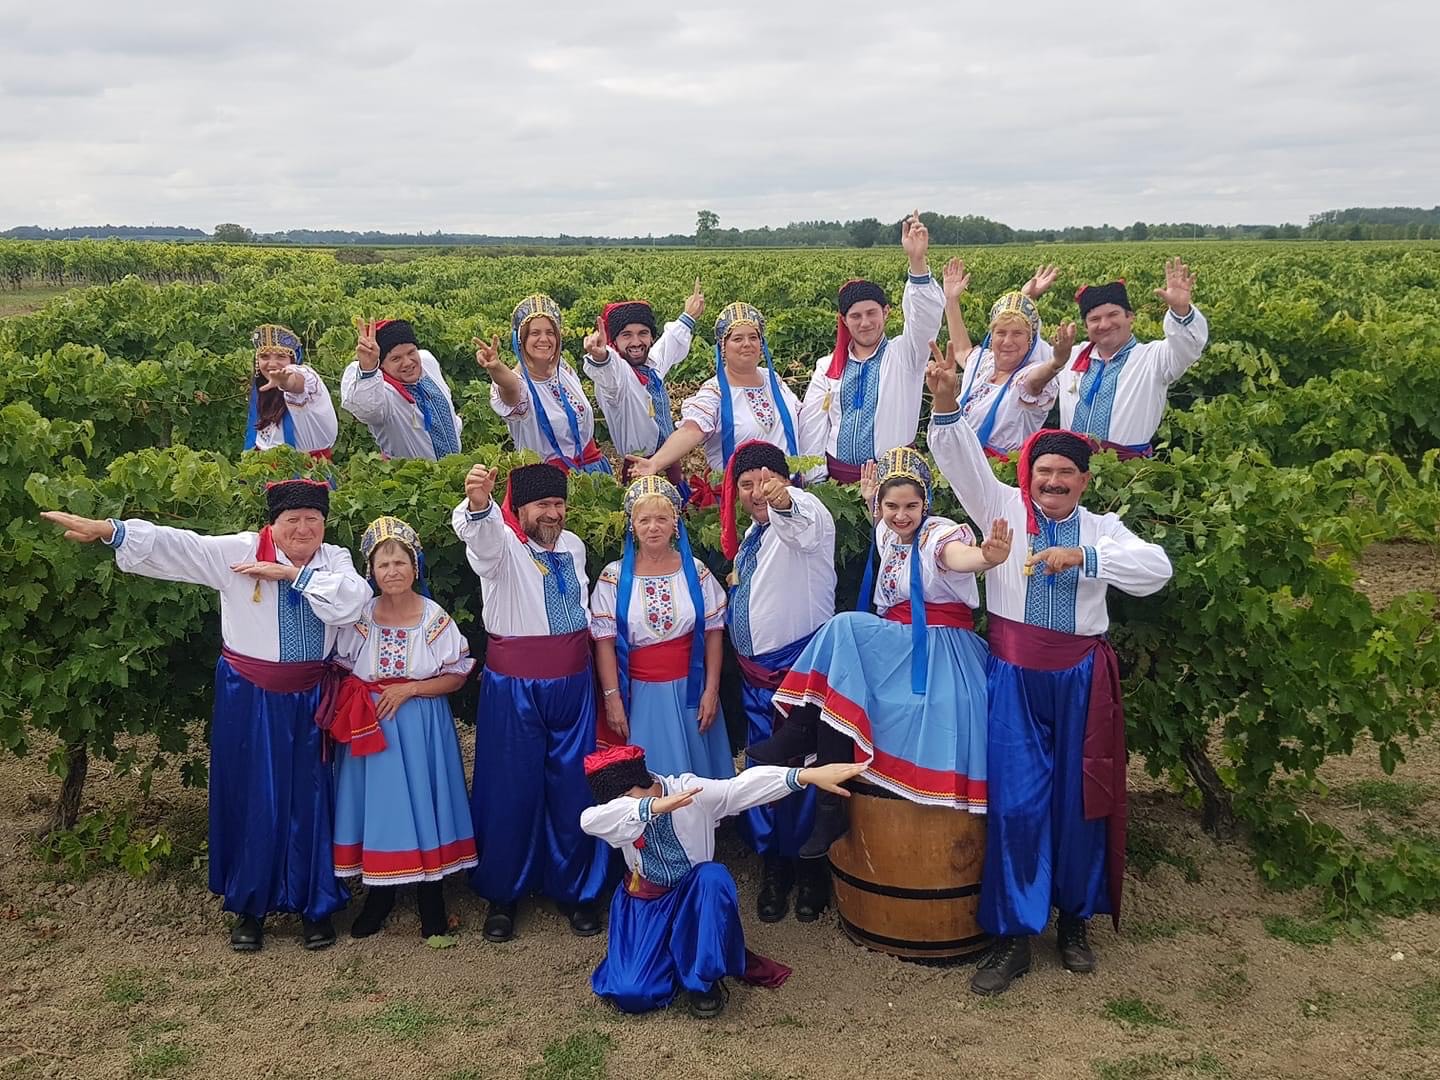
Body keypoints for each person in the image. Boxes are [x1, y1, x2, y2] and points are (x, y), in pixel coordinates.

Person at [925, 341, 1174, 995]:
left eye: (1067, 475)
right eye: (1045, 474)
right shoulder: (1001, 508)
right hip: (1013, 679)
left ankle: (1072, 923)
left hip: (1081, 683)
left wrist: (1085, 562)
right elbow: (958, 459)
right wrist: (947, 401)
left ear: (1084, 481)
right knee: (1017, 804)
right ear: (1028, 475)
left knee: (1079, 803)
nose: (1055, 483)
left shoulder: (1103, 528)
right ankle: (1011, 935)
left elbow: (1158, 571)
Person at [41, 480, 371, 952]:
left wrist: (289, 577)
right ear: (273, 524)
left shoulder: (334, 560)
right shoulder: (238, 552)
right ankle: (250, 907)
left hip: (308, 697)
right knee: (254, 795)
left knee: (311, 798)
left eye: (312, 521)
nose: (303, 529)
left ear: (324, 525)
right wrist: (113, 532)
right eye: (292, 520)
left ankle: (313, 904)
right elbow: (181, 546)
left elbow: (352, 601)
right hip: (252, 697)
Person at [756, 447, 1011, 856]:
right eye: (892, 505)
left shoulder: (935, 534)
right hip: (897, 642)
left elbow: (955, 557)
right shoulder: (889, 533)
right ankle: (830, 807)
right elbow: (883, 524)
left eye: (912, 505)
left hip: (935, 640)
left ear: (927, 503)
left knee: (844, 625)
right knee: (842, 691)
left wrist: (984, 557)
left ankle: (800, 731)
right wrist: (871, 501)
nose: (902, 515)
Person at [581, 744, 867, 1018]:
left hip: (694, 899)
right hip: (645, 904)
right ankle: (669, 958)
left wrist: (805, 775)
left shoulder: (689, 791)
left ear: (638, 784)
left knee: (712, 877)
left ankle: (702, 980)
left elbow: (739, 789)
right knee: (632, 993)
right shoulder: (622, 812)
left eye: (623, 799)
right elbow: (591, 820)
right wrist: (650, 808)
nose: (619, 809)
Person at [450, 461, 609, 941]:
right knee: (509, 787)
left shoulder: (575, 546)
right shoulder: (502, 546)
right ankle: (504, 894)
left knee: (573, 786)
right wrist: (480, 504)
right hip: (515, 685)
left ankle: (576, 889)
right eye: (543, 505)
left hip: (572, 682)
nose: (553, 514)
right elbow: (481, 539)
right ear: (519, 509)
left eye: (559, 504)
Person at [330, 516, 478, 941]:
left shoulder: (433, 617)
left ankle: (433, 900)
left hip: (418, 725)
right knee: (379, 808)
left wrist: (411, 689)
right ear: (371, 573)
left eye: (400, 563)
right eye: (383, 565)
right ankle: (379, 897)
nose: (392, 572)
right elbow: (342, 668)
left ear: (415, 567)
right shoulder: (360, 617)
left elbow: (457, 673)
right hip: (371, 725)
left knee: (422, 803)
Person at [720, 440, 836, 923]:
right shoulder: (752, 535)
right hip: (754, 680)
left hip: (797, 675)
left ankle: (811, 869)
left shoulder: (807, 515)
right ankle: (774, 865)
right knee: (764, 770)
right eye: (746, 484)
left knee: (807, 766)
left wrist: (785, 498)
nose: (756, 492)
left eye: (765, 481)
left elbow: (799, 522)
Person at [590, 475, 731, 780]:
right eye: (644, 520)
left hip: (690, 691)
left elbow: (713, 633)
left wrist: (711, 690)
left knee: (693, 778)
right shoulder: (612, 578)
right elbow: (604, 643)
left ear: (675, 523)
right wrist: (612, 697)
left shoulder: (695, 571)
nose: (653, 527)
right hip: (640, 695)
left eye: (661, 519)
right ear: (632, 525)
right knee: (651, 775)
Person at [798, 211, 943, 483]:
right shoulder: (828, 367)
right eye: (855, 316)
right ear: (844, 320)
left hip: (894, 482)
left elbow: (924, 320)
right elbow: (812, 426)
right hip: (838, 481)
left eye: (871, 313)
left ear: (886, 312)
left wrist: (917, 260)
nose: (865, 323)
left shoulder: (905, 355)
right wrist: (816, 480)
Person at [626, 303, 806, 480]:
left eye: (753, 337)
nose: (747, 344)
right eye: (737, 339)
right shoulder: (715, 391)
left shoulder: (774, 380)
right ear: (722, 348)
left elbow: (803, 420)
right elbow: (691, 430)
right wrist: (655, 463)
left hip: (787, 492)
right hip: (740, 499)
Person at [1058, 259, 1208, 457]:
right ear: (1086, 327)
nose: (1104, 324)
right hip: (1070, 467)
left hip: (1127, 473)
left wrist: (1181, 311)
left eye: (1113, 315)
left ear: (1130, 317)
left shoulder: (1153, 358)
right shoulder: (1070, 355)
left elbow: (1188, 346)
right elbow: (1021, 355)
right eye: (1094, 319)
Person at [941, 262, 1073, 457]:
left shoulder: (1025, 377)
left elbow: (1038, 379)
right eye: (1001, 333)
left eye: (1017, 334)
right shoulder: (983, 364)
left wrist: (1057, 362)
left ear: (1030, 341)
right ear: (991, 337)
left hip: (998, 475)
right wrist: (951, 300)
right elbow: (961, 349)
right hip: (960, 462)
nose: (1008, 341)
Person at [477, 295, 613, 475]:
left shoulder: (563, 369)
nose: (544, 339)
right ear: (521, 339)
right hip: (548, 485)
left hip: (591, 471)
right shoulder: (520, 386)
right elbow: (510, 387)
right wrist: (496, 368)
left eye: (550, 332)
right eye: (535, 333)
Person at [583, 282, 705, 483]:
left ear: (651, 338)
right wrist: (600, 356)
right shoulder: (619, 377)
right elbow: (607, 372)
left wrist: (688, 316)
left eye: (643, 333)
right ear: (614, 342)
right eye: (626, 335)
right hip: (639, 469)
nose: (636, 342)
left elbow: (669, 344)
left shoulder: (651, 366)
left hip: (668, 462)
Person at [341, 318, 464, 460]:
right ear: (381, 365)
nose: (407, 362)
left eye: (411, 352)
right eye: (396, 358)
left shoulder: (427, 363)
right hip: (415, 478)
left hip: (455, 468)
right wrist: (368, 370)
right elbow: (367, 410)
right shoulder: (383, 393)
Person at [244, 324, 338, 458]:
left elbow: (296, 382)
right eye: (264, 357)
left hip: (307, 473)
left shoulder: (308, 380)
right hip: (265, 472)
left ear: (294, 360)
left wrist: (285, 382)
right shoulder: (260, 390)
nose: (271, 364)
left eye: (281, 357)